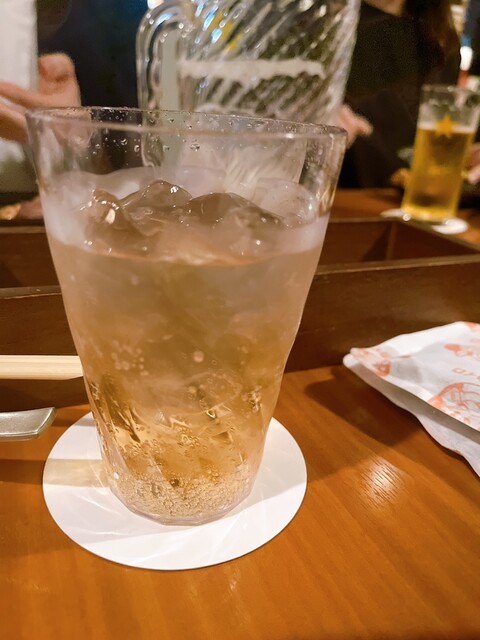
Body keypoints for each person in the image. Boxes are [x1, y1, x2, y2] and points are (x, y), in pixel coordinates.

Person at [339, 0, 462, 188]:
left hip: (409, 197)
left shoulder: (441, 39)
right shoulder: (319, 20)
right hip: (336, 194)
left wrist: (464, 153)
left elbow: (436, 141)